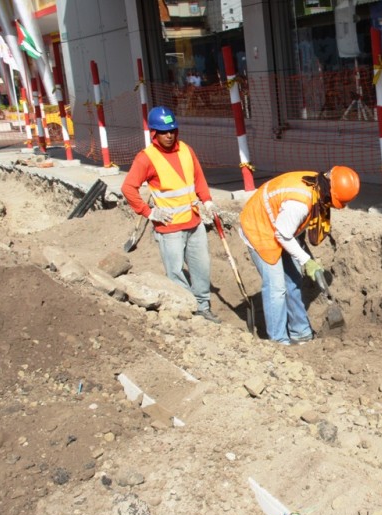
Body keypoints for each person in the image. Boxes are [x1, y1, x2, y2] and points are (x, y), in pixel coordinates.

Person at [121, 105, 221, 324]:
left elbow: (198, 178)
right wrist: (149, 212)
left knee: (201, 267)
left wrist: (207, 200)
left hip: (194, 222)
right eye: (164, 131)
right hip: (169, 228)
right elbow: (128, 188)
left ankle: (203, 307)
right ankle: (189, 310)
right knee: (175, 272)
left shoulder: (186, 149)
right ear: (154, 133)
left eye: (172, 130)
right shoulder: (146, 158)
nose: (169, 135)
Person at [238, 166, 360, 345]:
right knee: (276, 289)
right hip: (260, 228)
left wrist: (304, 254)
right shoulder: (300, 203)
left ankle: (301, 333)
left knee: (294, 279)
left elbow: (292, 227)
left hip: (282, 226)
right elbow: (282, 234)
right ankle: (279, 342)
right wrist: (306, 261)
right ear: (329, 192)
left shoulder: (318, 185)